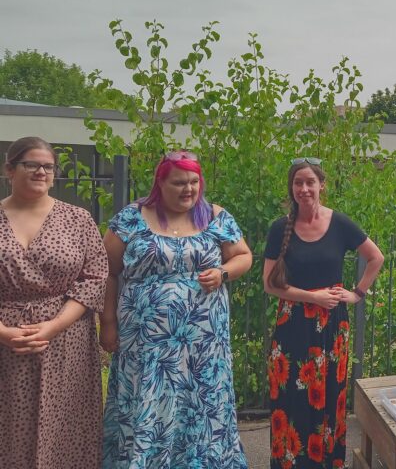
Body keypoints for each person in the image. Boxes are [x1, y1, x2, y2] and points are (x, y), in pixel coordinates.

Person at [100, 150, 253, 468]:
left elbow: (243, 256)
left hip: (203, 347)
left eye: (195, 182)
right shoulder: (133, 217)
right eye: (180, 183)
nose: (189, 190)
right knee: (149, 403)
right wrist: (109, 321)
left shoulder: (214, 216)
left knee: (201, 404)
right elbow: (107, 270)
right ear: (161, 182)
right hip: (146, 347)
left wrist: (223, 272)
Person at [263, 158, 384, 469]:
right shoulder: (280, 228)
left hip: (332, 328)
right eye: (297, 183)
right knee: (291, 400)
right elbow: (270, 285)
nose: (303, 189)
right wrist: (311, 297)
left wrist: (357, 293)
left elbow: (375, 258)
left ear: (321, 185)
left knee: (329, 400)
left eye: (309, 182)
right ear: (291, 188)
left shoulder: (339, 223)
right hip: (292, 328)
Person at [0, 136, 108, 468]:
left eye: (47, 166)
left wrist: (54, 326)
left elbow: (95, 278)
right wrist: (3, 332)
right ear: (9, 170)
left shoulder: (78, 219)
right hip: (5, 342)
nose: (40, 172)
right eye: (30, 164)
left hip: (66, 341)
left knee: (65, 430)